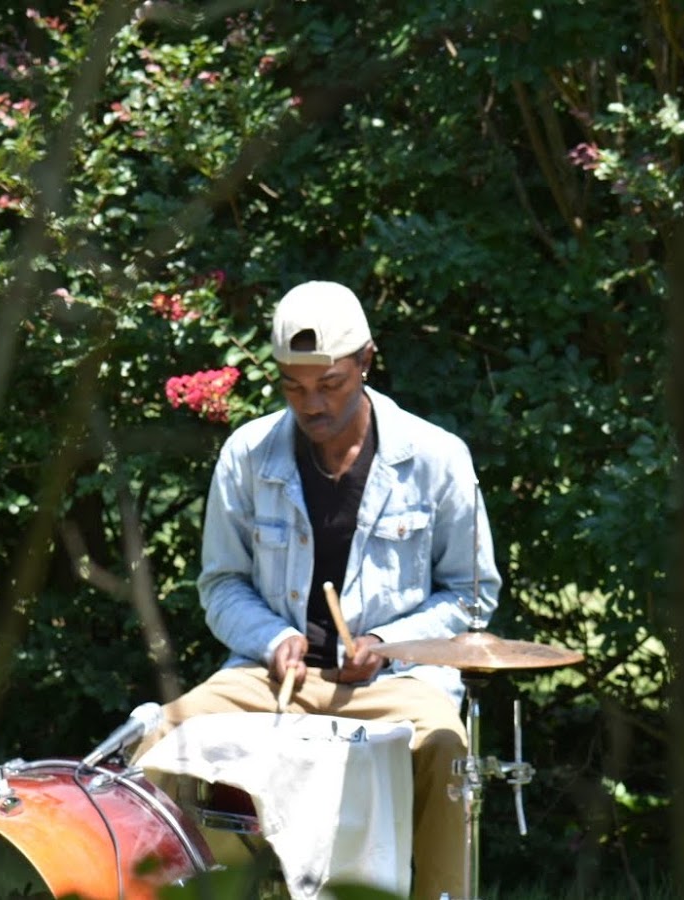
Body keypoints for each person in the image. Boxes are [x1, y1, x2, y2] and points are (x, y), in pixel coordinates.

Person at [137, 280, 502, 900]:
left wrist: (386, 643)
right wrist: (273, 638)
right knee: (160, 740)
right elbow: (222, 583)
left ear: (366, 360)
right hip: (275, 677)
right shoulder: (248, 455)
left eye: (329, 384)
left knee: (446, 749)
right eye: (294, 387)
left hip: (396, 682)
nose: (312, 405)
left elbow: (471, 594)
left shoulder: (438, 457)